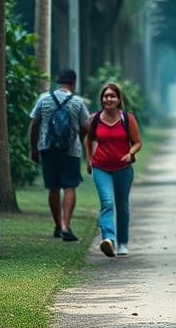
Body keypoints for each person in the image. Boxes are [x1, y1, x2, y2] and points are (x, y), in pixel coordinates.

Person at [29, 69, 90, 241]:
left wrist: (33, 149)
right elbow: (87, 128)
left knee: (53, 188)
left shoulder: (44, 99)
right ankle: (66, 226)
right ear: (73, 83)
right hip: (71, 151)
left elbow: (34, 125)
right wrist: (87, 150)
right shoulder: (78, 102)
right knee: (70, 186)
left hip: (47, 149)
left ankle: (57, 226)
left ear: (58, 82)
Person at [84, 82, 142, 258]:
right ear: (102, 99)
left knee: (122, 206)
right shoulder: (94, 119)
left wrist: (130, 153)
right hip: (101, 168)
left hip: (124, 169)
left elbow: (137, 142)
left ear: (119, 99)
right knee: (107, 202)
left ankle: (123, 242)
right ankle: (108, 239)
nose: (108, 99)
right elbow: (88, 140)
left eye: (112, 96)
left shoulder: (127, 118)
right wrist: (89, 160)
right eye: (105, 96)